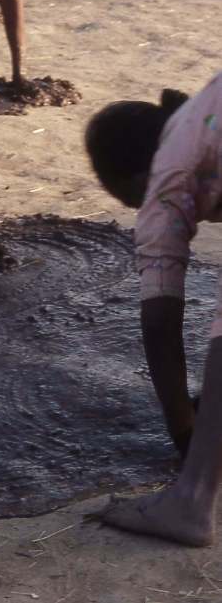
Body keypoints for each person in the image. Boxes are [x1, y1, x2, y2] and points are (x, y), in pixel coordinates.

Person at [85, 73, 222, 546]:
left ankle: (191, 502)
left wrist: (186, 435)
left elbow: (160, 322)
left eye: (126, 199)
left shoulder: (165, 174)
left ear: (135, 179)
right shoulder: (198, 116)